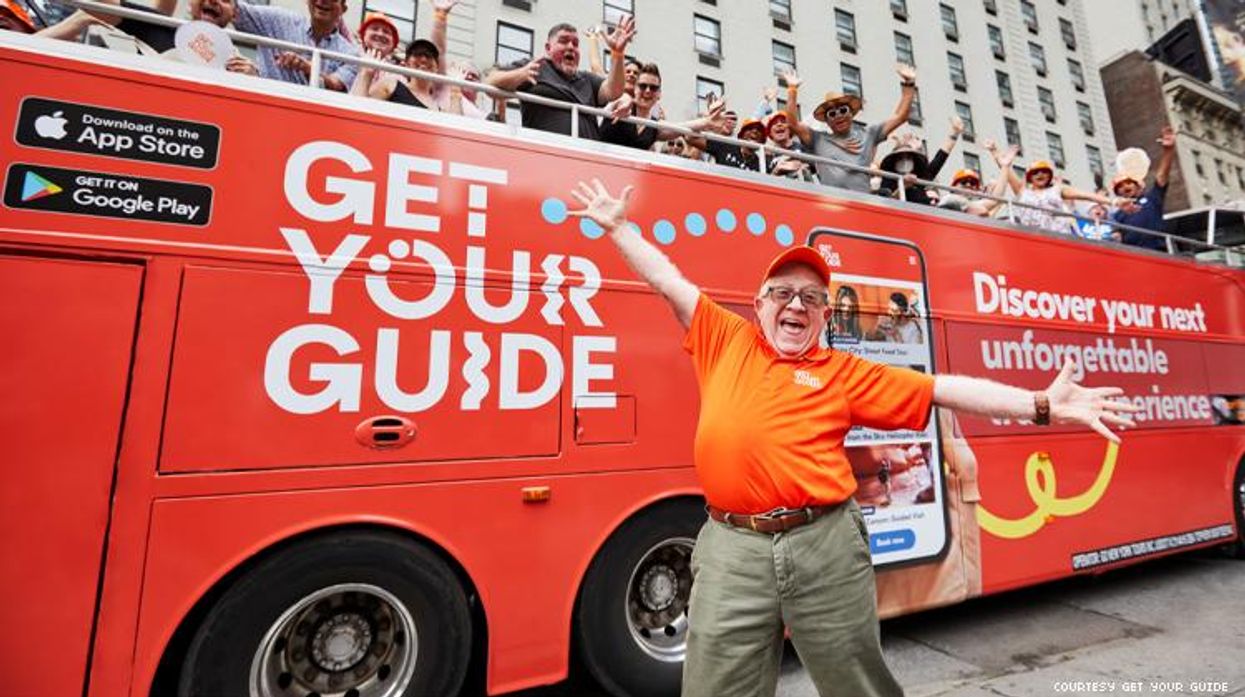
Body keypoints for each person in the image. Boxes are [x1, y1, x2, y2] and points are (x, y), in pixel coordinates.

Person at [565, 178, 1138, 697]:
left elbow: (944, 387)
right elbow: (668, 279)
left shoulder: (844, 371)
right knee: (717, 687)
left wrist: (1040, 404)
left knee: (856, 682)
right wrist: (619, 226)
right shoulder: (724, 337)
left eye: (812, 298)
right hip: (732, 547)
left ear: (823, 315)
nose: (797, 304)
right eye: (784, 293)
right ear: (759, 304)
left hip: (825, 544)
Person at [484, 17, 635, 139]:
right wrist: (520, 74)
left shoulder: (587, 79)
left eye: (575, 44)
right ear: (548, 49)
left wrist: (617, 54)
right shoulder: (534, 67)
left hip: (587, 159)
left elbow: (613, 91)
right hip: (547, 156)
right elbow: (490, 83)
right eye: (563, 41)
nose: (571, 47)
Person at [782, 65, 917, 192]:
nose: (838, 116)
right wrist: (792, 89)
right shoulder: (819, 139)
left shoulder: (869, 134)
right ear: (827, 121)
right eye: (832, 114)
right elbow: (792, 123)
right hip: (832, 203)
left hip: (861, 203)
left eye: (843, 110)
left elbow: (900, 117)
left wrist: (909, 83)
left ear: (851, 113)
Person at [231, 0, 360, 91]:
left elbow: (336, 84)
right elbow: (236, 11)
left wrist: (308, 68)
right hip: (264, 108)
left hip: (310, 121)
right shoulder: (278, 20)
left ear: (343, 9)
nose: (323, 1)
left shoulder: (350, 54)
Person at [599, 63, 726, 151]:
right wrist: (624, 99)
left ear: (659, 94)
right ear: (635, 88)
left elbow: (682, 127)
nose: (648, 91)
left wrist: (708, 121)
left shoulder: (655, 127)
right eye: (643, 86)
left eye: (653, 88)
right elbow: (619, 98)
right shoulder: (619, 101)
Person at [1000, 158, 1121, 235]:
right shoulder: (1023, 192)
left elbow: (1087, 195)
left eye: (1044, 171)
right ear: (1030, 177)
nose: (1040, 174)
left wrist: (1114, 201)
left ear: (1049, 176)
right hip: (1032, 238)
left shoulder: (1057, 189)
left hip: (1058, 237)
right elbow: (1006, 169)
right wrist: (995, 152)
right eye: (1035, 172)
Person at [1112, 126, 1177, 251]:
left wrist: (1169, 150)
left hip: (1159, 254)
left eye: (1128, 183)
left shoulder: (1152, 198)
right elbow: (1116, 238)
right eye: (1119, 186)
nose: (1125, 187)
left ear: (1138, 185)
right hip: (1134, 258)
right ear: (1117, 193)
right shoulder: (1118, 214)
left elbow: (1162, 176)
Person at [878, 117, 963, 205]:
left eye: (908, 158)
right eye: (900, 158)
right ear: (893, 162)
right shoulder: (888, 179)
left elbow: (940, 158)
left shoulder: (920, 178)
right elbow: (885, 204)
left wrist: (955, 133)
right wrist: (903, 186)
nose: (905, 161)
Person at [690, 107, 765, 172]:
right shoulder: (726, 146)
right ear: (741, 135)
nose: (755, 131)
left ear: (762, 141)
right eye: (750, 128)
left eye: (759, 130)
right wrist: (706, 123)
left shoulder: (763, 164)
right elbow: (690, 138)